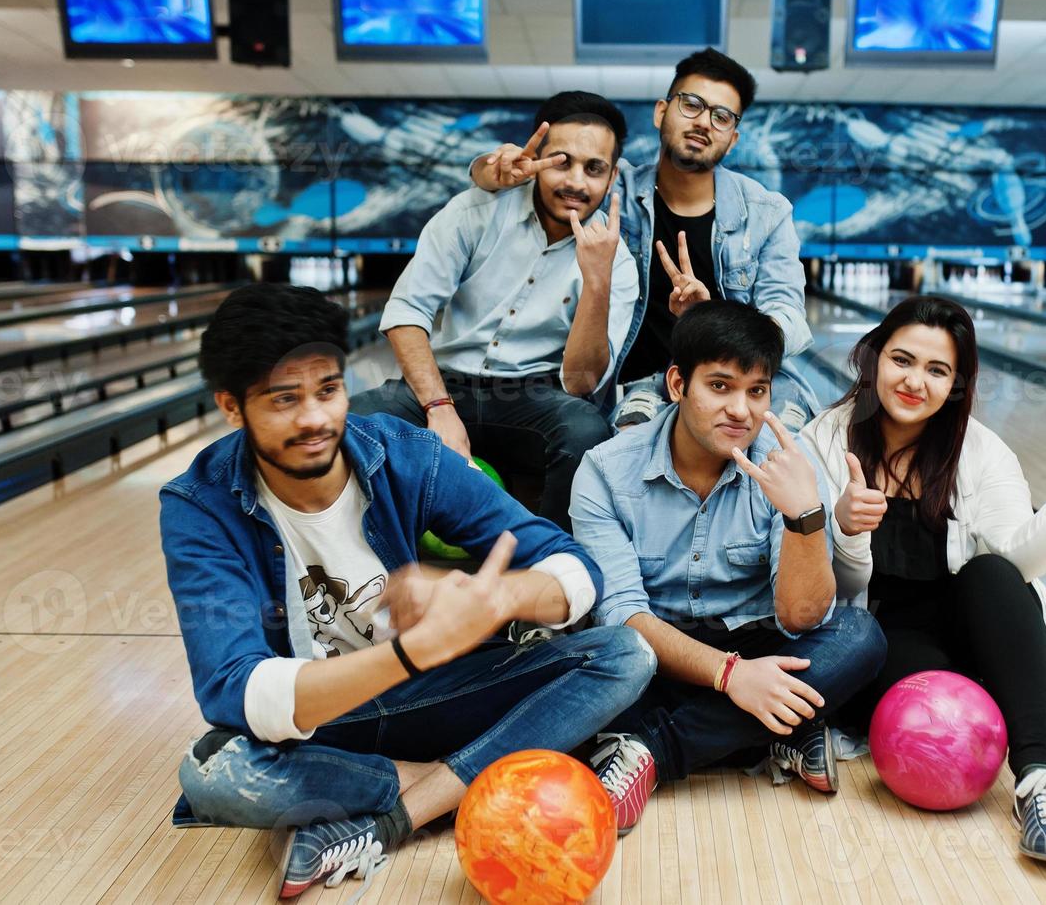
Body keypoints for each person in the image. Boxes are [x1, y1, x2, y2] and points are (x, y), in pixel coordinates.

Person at [159, 284, 656, 899]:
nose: (315, 419)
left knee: (623, 654)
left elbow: (576, 572)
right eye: (284, 400)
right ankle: (472, 781)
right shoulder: (199, 505)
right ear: (232, 407)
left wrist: (500, 598)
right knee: (215, 773)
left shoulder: (403, 454)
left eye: (328, 390)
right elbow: (235, 690)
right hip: (328, 722)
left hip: (439, 696)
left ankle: (390, 819)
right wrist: (405, 653)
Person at [797, 295, 1046, 866]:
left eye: (938, 370)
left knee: (992, 573)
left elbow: (1020, 564)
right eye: (902, 360)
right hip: (877, 636)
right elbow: (828, 587)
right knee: (941, 706)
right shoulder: (825, 442)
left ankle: (1041, 782)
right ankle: (1044, 702)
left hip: (967, 624)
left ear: (957, 384)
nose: (915, 381)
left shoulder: (981, 452)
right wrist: (846, 527)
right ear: (874, 357)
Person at [569, 300, 887, 834]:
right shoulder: (605, 471)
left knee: (859, 636)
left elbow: (802, 620)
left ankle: (651, 752)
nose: (741, 410)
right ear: (676, 384)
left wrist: (805, 516)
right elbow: (623, 617)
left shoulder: (790, 468)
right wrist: (729, 676)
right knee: (595, 661)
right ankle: (770, 732)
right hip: (655, 658)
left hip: (759, 644)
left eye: (757, 391)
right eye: (720, 386)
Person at [470, 48, 816, 431]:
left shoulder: (767, 213)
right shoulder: (610, 187)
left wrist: (715, 322)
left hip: (735, 377)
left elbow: (789, 318)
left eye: (721, 117)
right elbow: (546, 172)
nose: (704, 122)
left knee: (785, 451)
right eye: (692, 105)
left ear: (732, 139)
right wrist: (488, 171)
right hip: (638, 386)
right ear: (661, 112)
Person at [350, 91, 640, 529]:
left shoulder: (616, 260)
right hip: (442, 385)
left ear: (612, 175)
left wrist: (597, 281)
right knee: (346, 422)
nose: (577, 182)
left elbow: (581, 382)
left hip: (533, 398)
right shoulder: (475, 211)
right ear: (536, 156)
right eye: (562, 162)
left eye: (593, 168)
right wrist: (439, 407)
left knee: (586, 433)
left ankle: (547, 569)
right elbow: (406, 312)